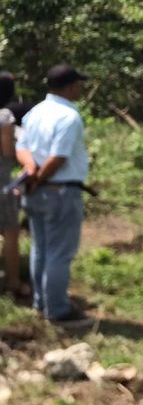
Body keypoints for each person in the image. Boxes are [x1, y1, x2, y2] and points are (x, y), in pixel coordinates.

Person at [16, 64, 93, 326]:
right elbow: (58, 157)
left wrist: (30, 170)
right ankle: (58, 310)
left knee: (41, 248)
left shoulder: (35, 112)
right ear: (70, 86)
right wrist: (39, 177)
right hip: (59, 191)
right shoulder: (68, 116)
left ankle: (41, 303)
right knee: (60, 253)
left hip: (35, 192)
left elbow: (22, 147)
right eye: (78, 84)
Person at [0, 72, 28, 298]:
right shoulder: (4, 116)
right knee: (10, 231)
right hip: (1, 180)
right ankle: (13, 281)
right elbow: (9, 152)